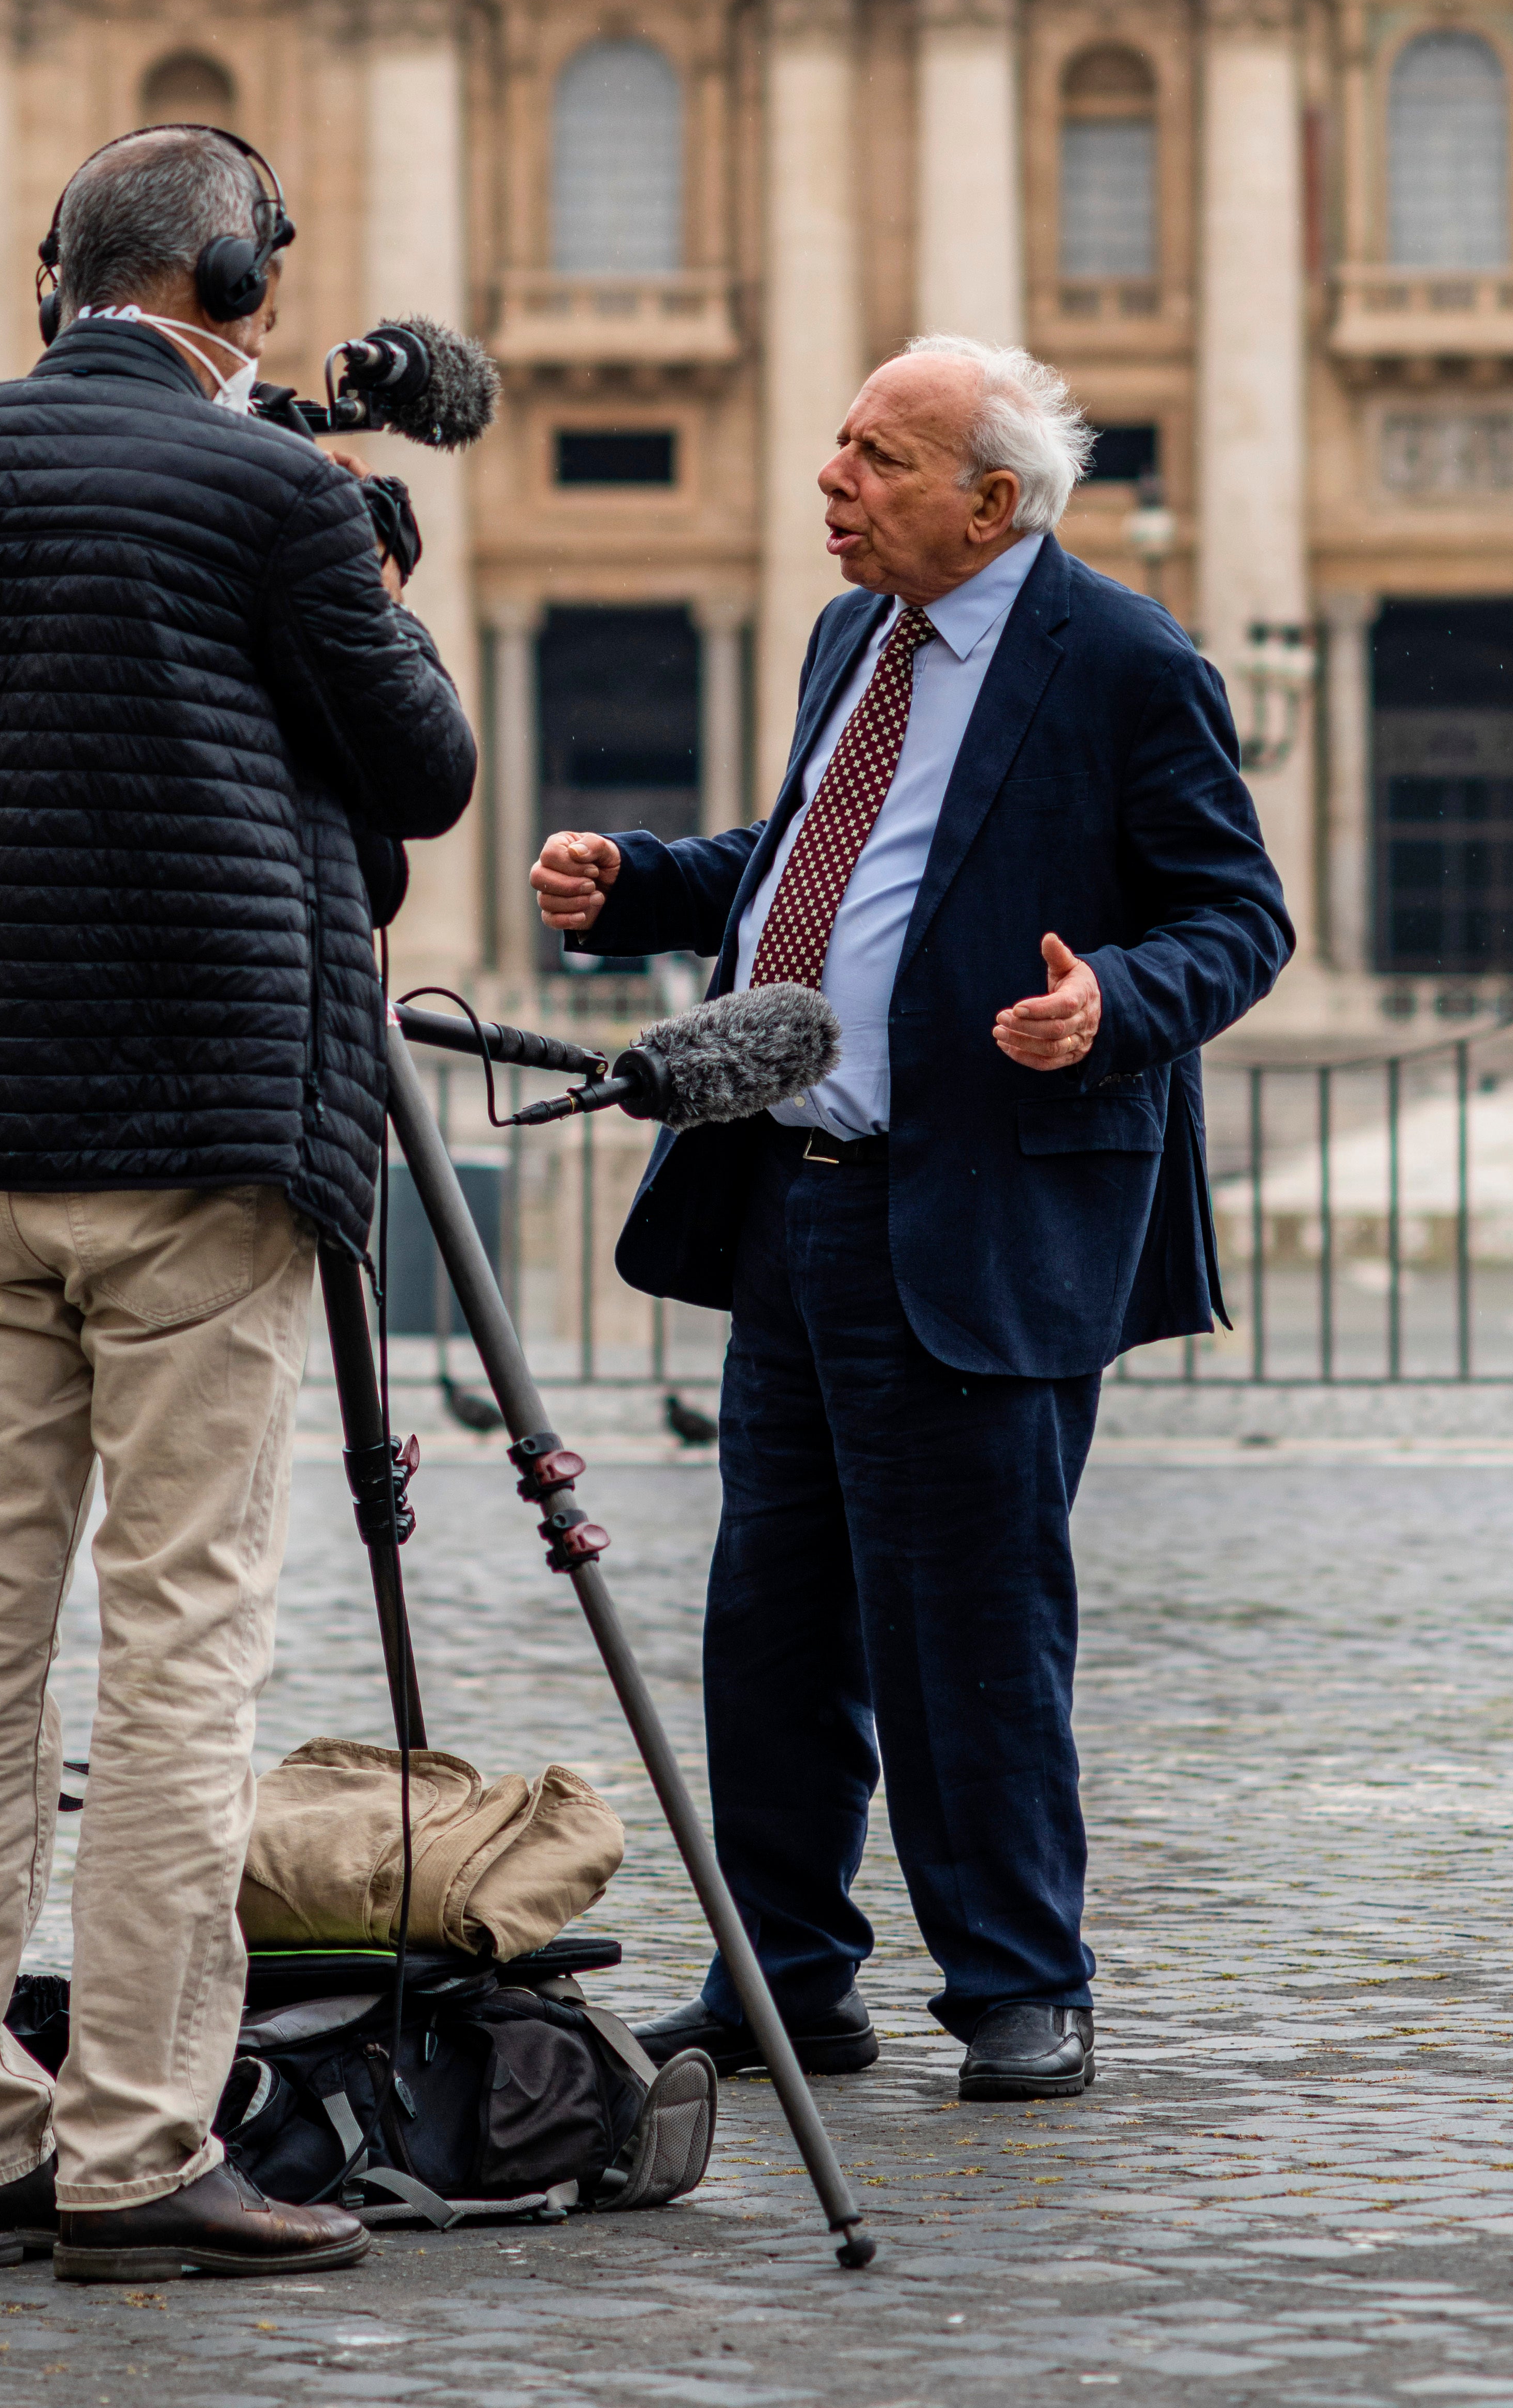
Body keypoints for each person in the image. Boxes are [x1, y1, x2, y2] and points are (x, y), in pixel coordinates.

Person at [0, 124, 479, 2286]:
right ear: (244, 276)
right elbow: (418, 770)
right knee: (181, 1632)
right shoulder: (280, 493)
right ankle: (141, 2140)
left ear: (53, 271)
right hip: (193, 1130)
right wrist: (369, 581)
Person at [533, 336, 1291, 2105]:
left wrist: (1113, 997)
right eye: (840, 443)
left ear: (992, 502)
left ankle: (1024, 1982)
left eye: (875, 456)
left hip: (983, 1213)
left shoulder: (1121, 660)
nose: (832, 479)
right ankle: (787, 1981)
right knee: (771, 1624)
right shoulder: (849, 638)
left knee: (973, 1626)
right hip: (794, 1202)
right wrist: (650, 883)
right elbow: (820, 865)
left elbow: (1238, 916)